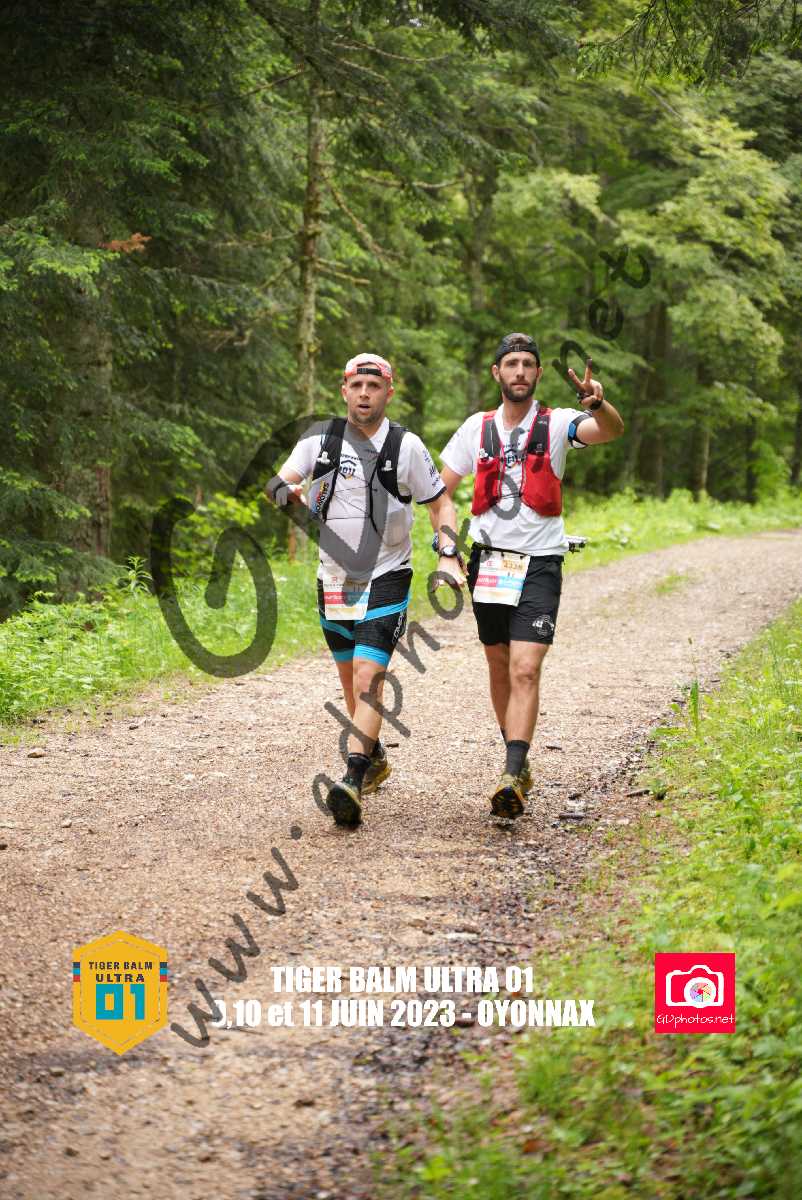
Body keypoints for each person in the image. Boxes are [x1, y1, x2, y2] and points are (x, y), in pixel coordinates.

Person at [267, 352, 464, 828]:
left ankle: (351, 780)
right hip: (334, 578)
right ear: (344, 390)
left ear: (387, 393)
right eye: (356, 386)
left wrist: (447, 553)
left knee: (367, 678)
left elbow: (442, 505)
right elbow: (278, 486)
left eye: (373, 387)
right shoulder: (319, 440)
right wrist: (287, 495)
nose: (364, 394)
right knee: (350, 683)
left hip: (388, 572)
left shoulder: (406, 446)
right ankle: (372, 757)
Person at [439, 332, 624, 818]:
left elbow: (610, 431)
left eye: (527, 364)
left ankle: (510, 772)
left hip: (540, 561)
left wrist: (598, 404)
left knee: (525, 667)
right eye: (511, 363)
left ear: (539, 374)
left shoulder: (558, 422)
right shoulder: (476, 428)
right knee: (499, 664)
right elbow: (439, 492)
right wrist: (447, 548)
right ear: (496, 372)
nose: (519, 371)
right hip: (488, 563)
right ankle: (518, 763)